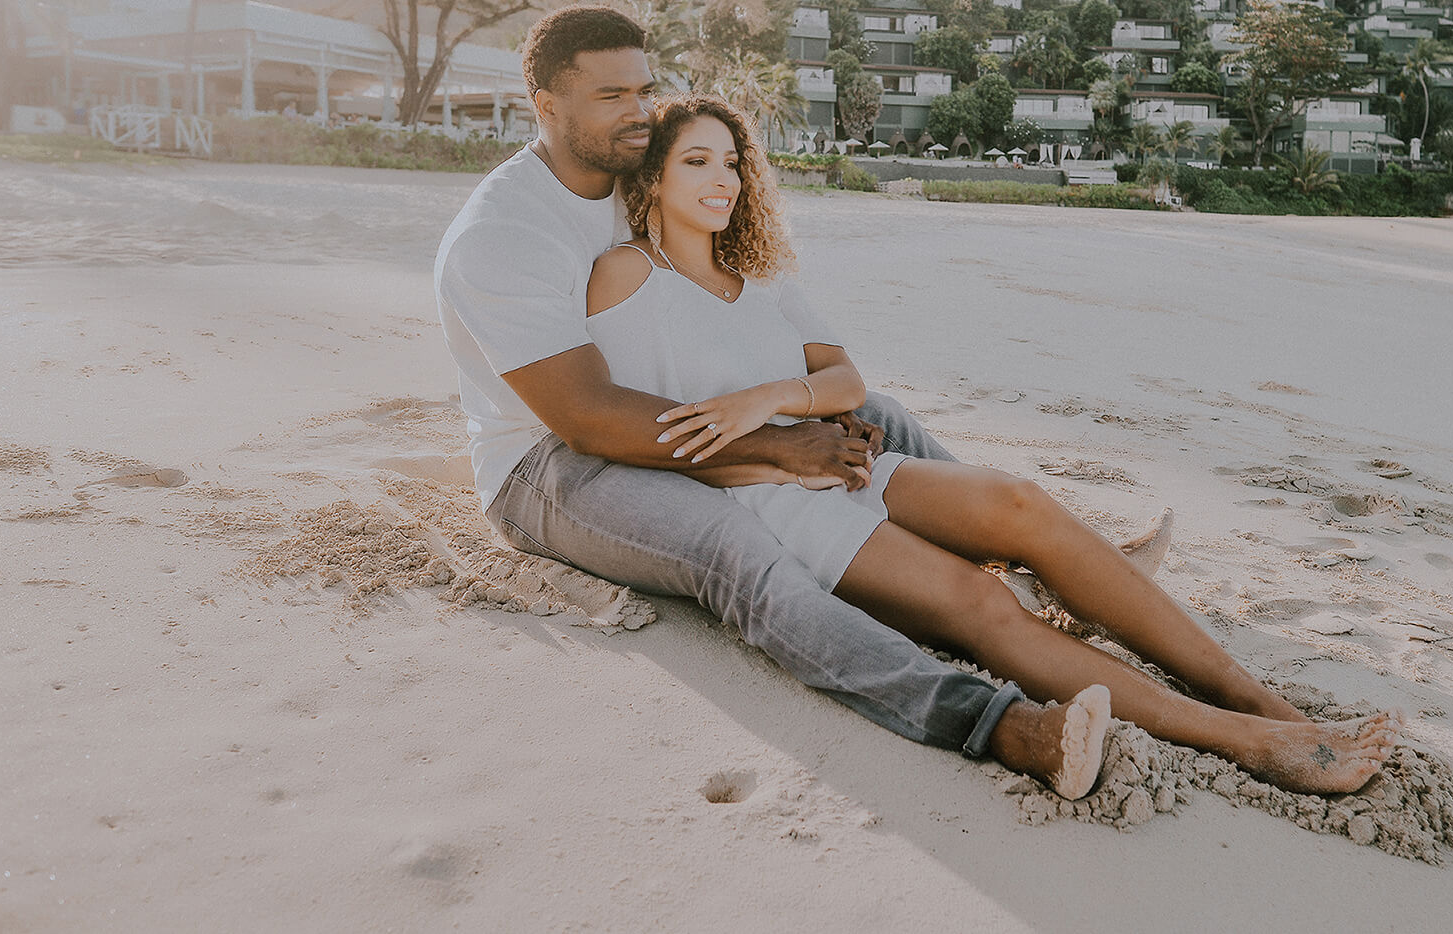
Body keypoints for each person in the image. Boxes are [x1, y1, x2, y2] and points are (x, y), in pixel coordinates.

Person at [582, 89, 1399, 794]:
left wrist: (771, 399)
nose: (722, 179)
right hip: (763, 499)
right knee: (975, 604)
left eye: (730, 162)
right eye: (696, 161)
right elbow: (634, 428)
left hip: (833, 457)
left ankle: (1255, 697)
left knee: (1020, 502)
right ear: (652, 177)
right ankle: (1245, 741)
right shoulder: (626, 276)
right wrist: (768, 439)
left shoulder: (758, 275)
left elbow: (846, 380)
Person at [436, 6, 1102, 799]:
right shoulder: (504, 232)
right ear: (547, 106)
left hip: (660, 405)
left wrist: (788, 403)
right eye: (612, 96)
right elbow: (585, 417)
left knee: (874, 414)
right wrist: (775, 447)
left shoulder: (629, 175)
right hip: (544, 466)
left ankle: (1054, 568)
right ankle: (993, 722)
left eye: (644, 91)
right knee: (730, 547)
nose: (639, 113)